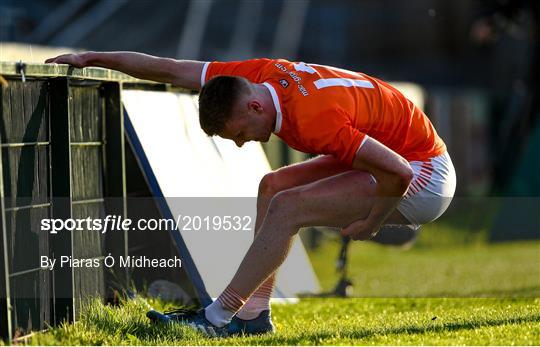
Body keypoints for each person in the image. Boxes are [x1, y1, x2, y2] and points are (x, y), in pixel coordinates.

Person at [46, 52, 457, 337]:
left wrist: (373, 222)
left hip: (424, 176)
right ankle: (254, 314)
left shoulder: (314, 118)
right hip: (401, 156)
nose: (242, 144)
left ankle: (217, 316)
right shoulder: (257, 77)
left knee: (288, 206)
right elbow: (172, 70)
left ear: (256, 109)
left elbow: (398, 172)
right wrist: (91, 58)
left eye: (240, 134)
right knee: (273, 186)